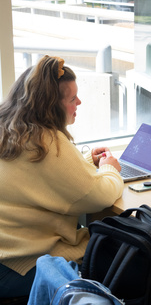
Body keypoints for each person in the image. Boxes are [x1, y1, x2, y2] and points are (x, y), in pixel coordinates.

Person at [0, 56, 123, 298]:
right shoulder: (46, 141)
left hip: (5, 255)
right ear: (51, 106)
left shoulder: (10, 128)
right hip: (22, 266)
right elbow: (99, 195)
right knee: (117, 253)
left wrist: (86, 163)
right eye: (71, 98)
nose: (79, 101)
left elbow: (34, 178)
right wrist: (109, 168)